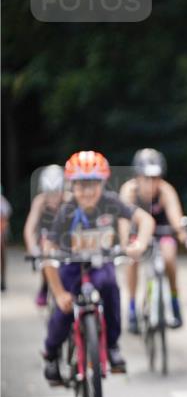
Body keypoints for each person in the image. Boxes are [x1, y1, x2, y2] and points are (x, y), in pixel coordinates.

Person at [40, 151, 154, 384]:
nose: (88, 192)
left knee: (111, 288)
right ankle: (51, 354)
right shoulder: (66, 211)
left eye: (93, 185)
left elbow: (146, 220)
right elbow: (47, 249)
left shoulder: (111, 202)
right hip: (71, 266)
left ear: (103, 184)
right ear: (72, 186)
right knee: (63, 310)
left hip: (101, 263)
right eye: (81, 186)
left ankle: (112, 346)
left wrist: (140, 243)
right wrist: (59, 292)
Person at [119, 148, 187, 332]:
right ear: (137, 176)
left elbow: (176, 219)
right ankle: (132, 307)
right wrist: (124, 243)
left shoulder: (166, 191)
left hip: (162, 231)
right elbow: (123, 220)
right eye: (146, 178)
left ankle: (174, 299)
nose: (151, 183)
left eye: (155, 178)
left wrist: (185, 236)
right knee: (132, 259)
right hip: (137, 234)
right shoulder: (129, 191)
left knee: (169, 257)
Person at [23, 165, 69, 306]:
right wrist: (33, 249)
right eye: (49, 193)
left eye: (56, 193)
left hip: (65, 237)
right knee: (44, 250)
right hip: (47, 239)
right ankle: (45, 286)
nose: (53, 198)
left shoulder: (69, 200)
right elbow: (29, 229)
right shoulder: (39, 202)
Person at [0, 187, 10, 292]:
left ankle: (2, 279)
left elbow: (5, 217)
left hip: (1, 230)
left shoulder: (2, 201)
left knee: (2, 254)